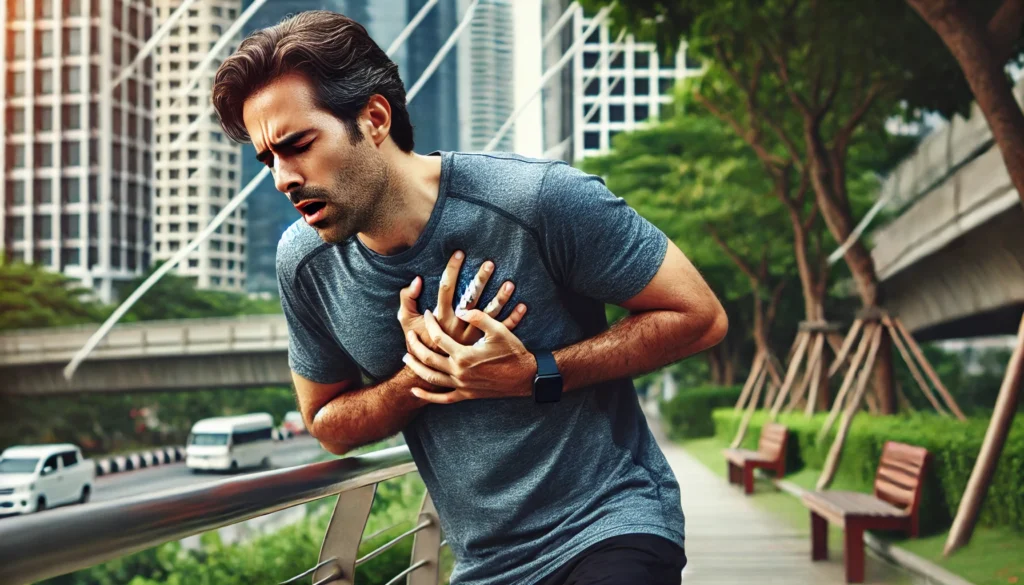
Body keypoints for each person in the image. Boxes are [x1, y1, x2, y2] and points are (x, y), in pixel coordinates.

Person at [212, 10, 728, 585]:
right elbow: (327, 422)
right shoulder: (304, 263)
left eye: (298, 145)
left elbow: (699, 315)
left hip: (610, 523)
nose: (282, 177)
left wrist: (534, 373)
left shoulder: (537, 199)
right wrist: (421, 377)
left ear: (374, 118)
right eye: (268, 160)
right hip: (485, 566)